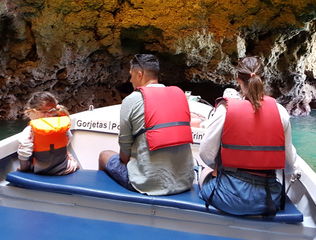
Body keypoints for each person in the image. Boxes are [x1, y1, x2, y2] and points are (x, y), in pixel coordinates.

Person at [198, 56, 297, 217]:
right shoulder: (280, 112)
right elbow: (289, 165)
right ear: (264, 79)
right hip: (269, 199)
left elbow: (205, 154)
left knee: (204, 171)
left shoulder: (225, 109)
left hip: (228, 197)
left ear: (238, 79)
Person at [99, 54, 195, 196]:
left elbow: (124, 157)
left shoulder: (131, 100)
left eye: (131, 75)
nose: (130, 80)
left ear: (140, 74)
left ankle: (105, 203)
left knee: (104, 156)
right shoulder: (180, 96)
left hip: (147, 183)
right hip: (184, 181)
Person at [17, 92, 79, 175]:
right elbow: (68, 139)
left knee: (26, 165)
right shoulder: (61, 125)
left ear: (33, 111)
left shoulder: (30, 130)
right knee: (75, 164)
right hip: (65, 169)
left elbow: (24, 151)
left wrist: (23, 168)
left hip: (40, 170)